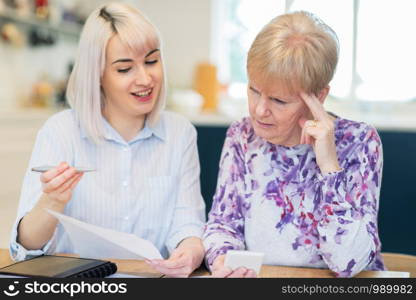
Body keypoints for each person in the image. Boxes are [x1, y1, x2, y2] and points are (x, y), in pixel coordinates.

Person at [10, 2, 206, 278]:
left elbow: (187, 223)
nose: (145, 78)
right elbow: (26, 247)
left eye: (151, 61)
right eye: (125, 69)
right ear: (97, 75)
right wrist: (52, 201)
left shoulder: (180, 133)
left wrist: (191, 249)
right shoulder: (60, 131)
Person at [203, 11, 385, 278]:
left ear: (319, 97)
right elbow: (222, 225)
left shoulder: (360, 142)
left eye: (279, 100)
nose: (260, 110)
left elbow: (349, 264)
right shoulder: (241, 135)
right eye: (254, 90)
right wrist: (223, 261)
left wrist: (328, 165)